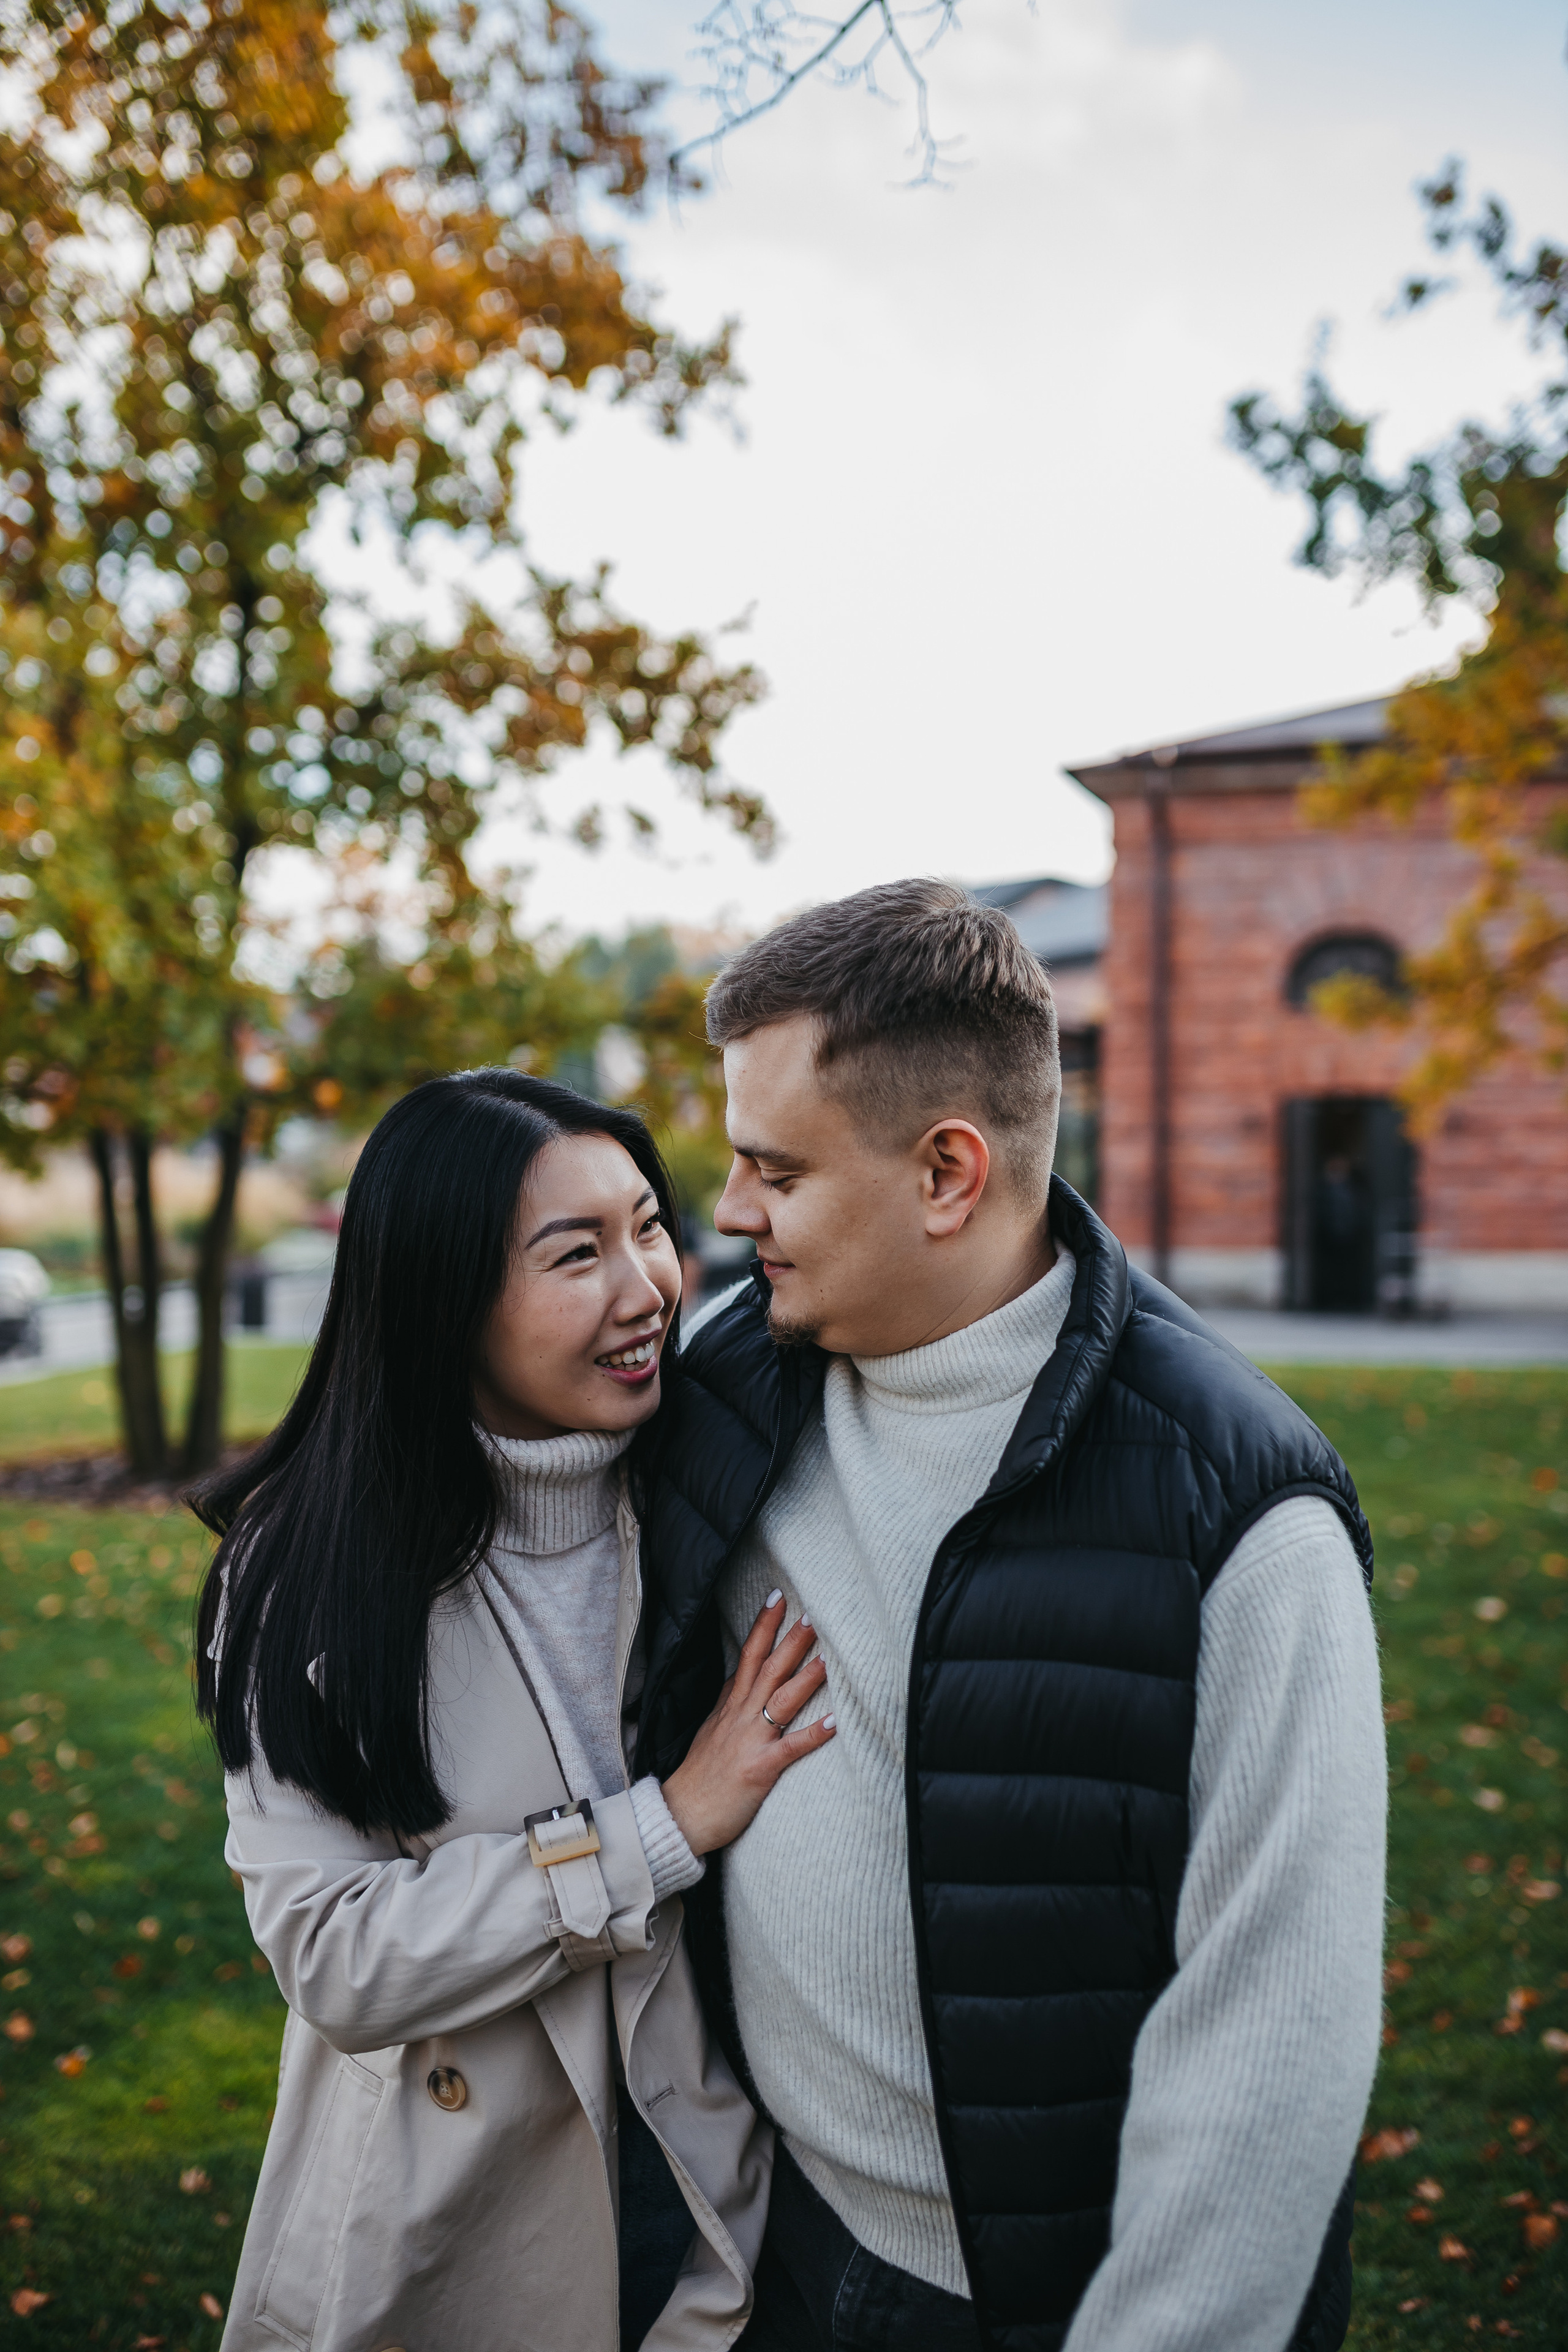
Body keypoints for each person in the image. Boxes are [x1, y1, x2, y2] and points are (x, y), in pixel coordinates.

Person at [631, 881, 1387, 2352]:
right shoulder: (733, 1387)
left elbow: (1269, 2057)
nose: (725, 1214)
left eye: (771, 1170)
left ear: (946, 1175)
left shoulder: (1238, 1516)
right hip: (761, 2244)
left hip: (1036, 2312)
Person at [192, 1070, 836, 2352]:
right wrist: (657, 1831)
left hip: (704, 2185)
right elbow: (333, 1954)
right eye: (575, 1253)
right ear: (443, 1297)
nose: (646, 1287)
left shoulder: (707, 1491)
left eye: (649, 1227)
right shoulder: (308, 1575)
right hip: (451, 2224)